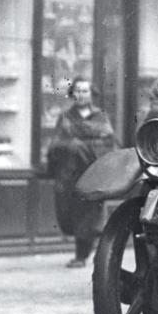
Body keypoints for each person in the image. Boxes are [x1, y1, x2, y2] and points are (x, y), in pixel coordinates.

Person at [46, 77, 118, 268]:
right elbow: (57, 143)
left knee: (89, 215)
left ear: (92, 94)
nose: (81, 95)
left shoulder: (100, 116)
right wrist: (72, 145)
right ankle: (85, 253)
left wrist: (81, 145)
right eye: (78, 91)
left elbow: (108, 142)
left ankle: (83, 256)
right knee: (70, 213)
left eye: (85, 91)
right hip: (69, 174)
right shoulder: (65, 117)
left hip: (92, 173)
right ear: (72, 93)